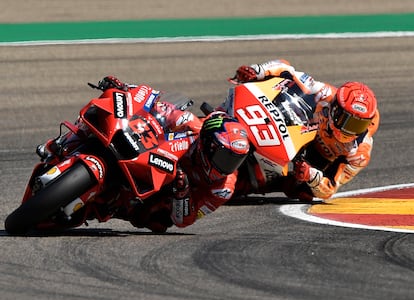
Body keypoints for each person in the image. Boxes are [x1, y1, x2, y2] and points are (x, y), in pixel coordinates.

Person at [99, 77, 250, 232]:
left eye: (235, 161)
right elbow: (154, 103)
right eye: (224, 158)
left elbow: (185, 220)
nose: (228, 167)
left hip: (167, 191)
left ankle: (117, 206)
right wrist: (126, 89)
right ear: (208, 144)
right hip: (150, 154)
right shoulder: (189, 123)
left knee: (158, 221)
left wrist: (182, 192)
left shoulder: (223, 189)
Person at [234, 59, 380, 201]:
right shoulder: (325, 93)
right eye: (348, 122)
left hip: (316, 161)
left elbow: (329, 189)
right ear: (335, 109)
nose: (351, 130)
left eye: (359, 126)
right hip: (300, 127)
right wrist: (257, 71)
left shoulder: (360, 154)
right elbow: (286, 68)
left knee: (303, 191)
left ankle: (252, 184)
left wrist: (311, 176)